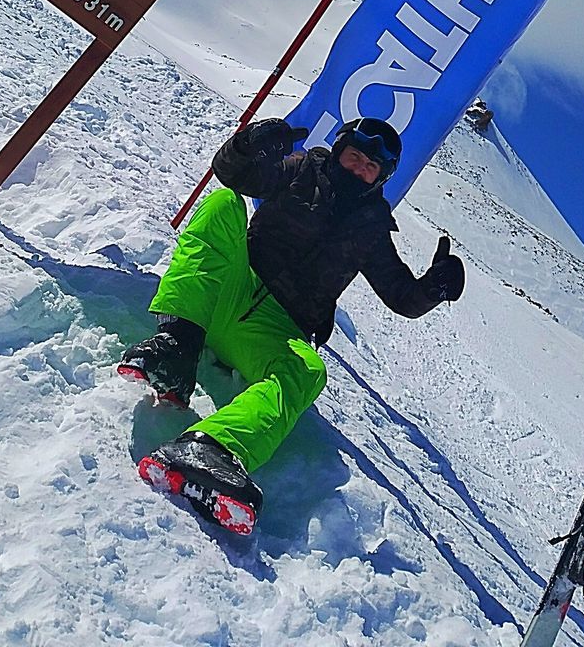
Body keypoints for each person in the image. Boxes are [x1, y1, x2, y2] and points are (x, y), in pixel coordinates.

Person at [118, 116, 465, 535]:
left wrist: (433, 289)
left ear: (381, 178)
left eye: (369, 167)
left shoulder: (371, 228)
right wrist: (246, 147)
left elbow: (402, 297)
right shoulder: (301, 170)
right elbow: (233, 173)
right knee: (223, 204)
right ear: (338, 151)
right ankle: (176, 346)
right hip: (229, 291)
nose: (358, 169)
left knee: (308, 371)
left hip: (276, 332)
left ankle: (210, 449)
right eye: (354, 156)